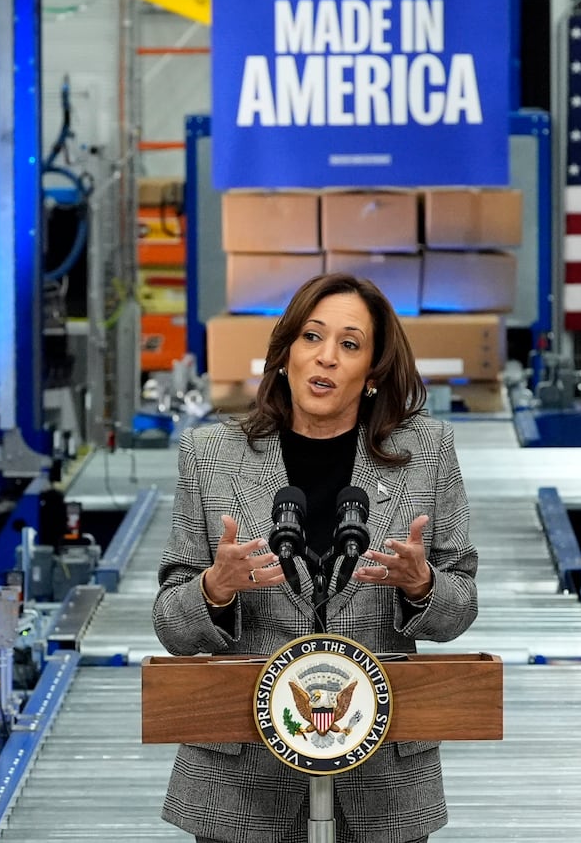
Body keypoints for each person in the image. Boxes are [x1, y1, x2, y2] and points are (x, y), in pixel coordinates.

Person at [153, 272, 479, 843]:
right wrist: (213, 589)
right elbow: (170, 623)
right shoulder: (210, 455)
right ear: (284, 355)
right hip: (241, 788)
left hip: (382, 788)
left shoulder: (427, 453)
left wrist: (422, 586)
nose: (325, 358)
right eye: (311, 337)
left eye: (349, 344)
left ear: (374, 372)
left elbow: (461, 607)